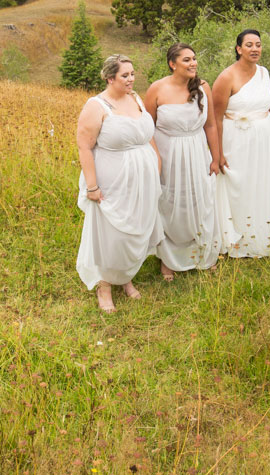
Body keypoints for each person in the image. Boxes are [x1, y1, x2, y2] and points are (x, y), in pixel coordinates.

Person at [75, 54, 164, 312]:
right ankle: (104, 286)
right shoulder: (96, 106)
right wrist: (92, 186)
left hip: (142, 180)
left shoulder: (136, 98)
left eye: (133, 74)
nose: (131, 79)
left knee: (134, 228)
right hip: (112, 179)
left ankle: (126, 277)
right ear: (109, 77)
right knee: (111, 232)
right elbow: (84, 146)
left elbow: (148, 136)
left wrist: (156, 166)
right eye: (125, 75)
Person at [144, 44, 223, 278]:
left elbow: (210, 124)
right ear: (173, 64)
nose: (193, 64)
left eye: (194, 59)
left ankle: (202, 253)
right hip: (168, 153)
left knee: (200, 200)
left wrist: (215, 157)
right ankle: (168, 258)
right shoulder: (156, 89)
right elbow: (147, 129)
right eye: (187, 60)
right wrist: (156, 158)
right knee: (170, 203)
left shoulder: (203, 87)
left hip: (198, 151)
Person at [211, 29, 270, 258]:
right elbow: (215, 118)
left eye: (258, 44)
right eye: (249, 45)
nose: (255, 49)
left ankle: (266, 236)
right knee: (239, 185)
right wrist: (219, 152)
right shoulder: (227, 77)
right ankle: (238, 240)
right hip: (236, 138)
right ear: (238, 49)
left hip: (264, 137)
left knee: (263, 183)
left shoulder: (264, 73)